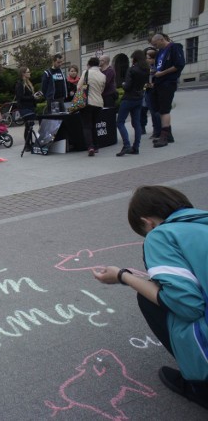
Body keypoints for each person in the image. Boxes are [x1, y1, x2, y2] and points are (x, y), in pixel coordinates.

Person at [92, 186, 208, 410]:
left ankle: (199, 385)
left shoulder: (161, 235)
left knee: (149, 299)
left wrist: (122, 276)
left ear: (148, 223)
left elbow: (188, 306)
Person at [150, 33, 185, 148]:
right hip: (159, 83)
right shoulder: (160, 52)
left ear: (161, 39)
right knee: (159, 108)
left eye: (156, 44)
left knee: (164, 109)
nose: (156, 47)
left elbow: (179, 65)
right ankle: (167, 135)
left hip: (167, 82)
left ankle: (164, 136)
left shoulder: (175, 47)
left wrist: (162, 73)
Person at [116, 50, 149, 156]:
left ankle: (126, 145)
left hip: (128, 98)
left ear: (135, 59)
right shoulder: (146, 69)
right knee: (136, 123)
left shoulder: (132, 70)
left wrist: (123, 84)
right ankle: (136, 147)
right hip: (139, 98)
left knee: (120, 122)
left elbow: (128, 86)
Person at [77, 57, 106, 156]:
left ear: (89, 64)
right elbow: (102, 90)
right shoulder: (103, 75)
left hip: (87, 102)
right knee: (94, 124)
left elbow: (79, 87)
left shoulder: (86, 72)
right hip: (99, 103)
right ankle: (96, 145)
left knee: (86, 126)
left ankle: (90, 147)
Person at [15, 67, 39, 152]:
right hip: (24, 108)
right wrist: (32, 97)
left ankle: (29, 143)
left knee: (30, 126)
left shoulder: (28, 83)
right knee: (28, 126)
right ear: (23, 74)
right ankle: (27, 145)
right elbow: (20, 97)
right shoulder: (20, 84)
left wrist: (34, 97)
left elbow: (28, 96)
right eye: (28, 72)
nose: (30, 73)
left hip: (30, 107)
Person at [143, 46, 162, 140]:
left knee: (156, 113)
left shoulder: (157, 67)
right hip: (148, 92)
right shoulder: (148, 67)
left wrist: (146, 86)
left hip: (154, 92)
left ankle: (158, 131)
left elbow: (155, 83)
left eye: (149, 58)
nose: (147, 59)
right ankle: (156, 131)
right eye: (146, 57)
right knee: (152, 112)